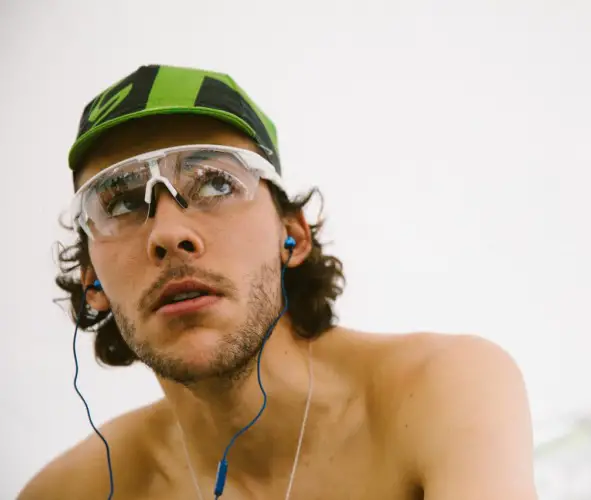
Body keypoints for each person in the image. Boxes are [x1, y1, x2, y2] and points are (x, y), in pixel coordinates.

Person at [19, 64, 538, 500]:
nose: (170, 233)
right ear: (92, 280)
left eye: (217, 182)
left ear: (291, 235)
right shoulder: (73, 490)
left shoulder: (441, 390)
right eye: (124, 202)